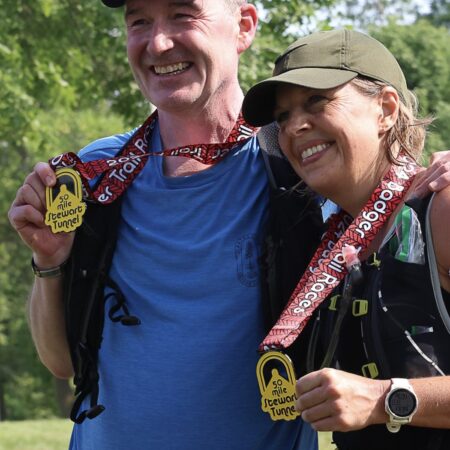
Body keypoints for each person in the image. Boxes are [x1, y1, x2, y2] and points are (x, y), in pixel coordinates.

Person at [6, 1, 450, 449]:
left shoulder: (300, 170)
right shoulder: (98, 175)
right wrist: (50, 262)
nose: (159, 42)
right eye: (139, 20)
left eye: (183, 14)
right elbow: (62, 362)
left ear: (243, 26)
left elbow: (383, 173)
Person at [242, 28, 450, 450]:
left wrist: (384, 399)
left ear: (386, 109)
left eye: (317, 101)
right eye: (282, 117)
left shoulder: (441, 210)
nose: (295, 126)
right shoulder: (330, 240)